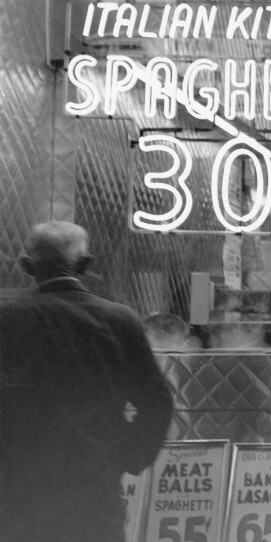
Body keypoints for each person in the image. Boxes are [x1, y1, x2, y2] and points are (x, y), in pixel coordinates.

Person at [0, 221, 173, 542]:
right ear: (85, 265)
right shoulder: (120, 319)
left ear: (26, 266)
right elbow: (157, 403)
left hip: (19, 493)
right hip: (95, 487)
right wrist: (127, 458)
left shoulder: (7, 321)